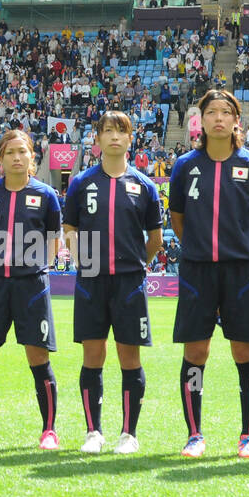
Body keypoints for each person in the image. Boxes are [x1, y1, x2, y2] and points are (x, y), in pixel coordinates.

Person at [168, 90, 249, 458]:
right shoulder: (184, 166)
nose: (218, 118)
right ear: (201, 120)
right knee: (196, 350)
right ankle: (195, 434)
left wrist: (239, 247)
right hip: (197, 271)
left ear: (235, 121)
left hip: (239, 270)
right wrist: (200, 246)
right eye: (210, 112)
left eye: (225, 112)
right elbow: (177, 219)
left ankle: (248, 436)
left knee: (244, 351)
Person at [62, 111, 163, 454]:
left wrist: (134, 265)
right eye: (108, 131)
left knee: (129, 357)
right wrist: (87, 262)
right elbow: (70, 230)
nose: (115, 137)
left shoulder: (144, 186)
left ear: (131, 138)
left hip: (129, 282)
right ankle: (94, 432)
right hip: (91, 281)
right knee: (93, 355)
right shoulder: (80, 183)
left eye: (121, 131)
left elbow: (155, 239)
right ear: (98, 140)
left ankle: (128, 434)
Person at [0, 129, 63, 450]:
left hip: (31, 285)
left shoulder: (46, 195)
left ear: (32, 157)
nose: (17, 157)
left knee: (38, 357)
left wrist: (31, 268)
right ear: (0, 159)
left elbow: (53, 244)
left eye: (22, 151)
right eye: (10, 153)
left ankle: (49, 431)